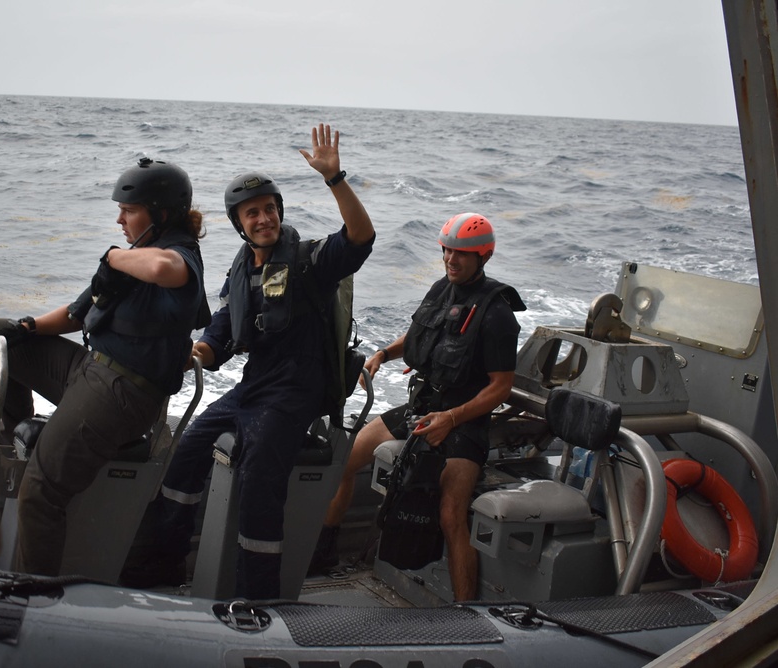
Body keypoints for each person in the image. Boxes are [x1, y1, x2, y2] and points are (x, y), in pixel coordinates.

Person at [127, 124, 375, 599]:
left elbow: (360, 238)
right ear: (239, 223)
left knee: (261, 478)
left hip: (297, 390)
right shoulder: (241, 270)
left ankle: (257, 598)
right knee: (188, 451)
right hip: (253, 388)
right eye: (252, 213)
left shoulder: (309, 262)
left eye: (268, 209)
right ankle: (164, 563)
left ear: (279, 212)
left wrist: (334, 179)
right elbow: (222, 331)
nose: (263, 219)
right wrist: (194, 353)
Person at [0, 158, 210, 576]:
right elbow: (78, 312)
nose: (119, 218)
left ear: (160, 214)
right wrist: (26, 326)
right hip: (88, 368)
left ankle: (30, 600)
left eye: (129, 210)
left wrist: (114, 256)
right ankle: (13, 425)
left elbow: (162, 268)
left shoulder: (180, 255)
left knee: (40, 492)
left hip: (122, 390)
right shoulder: (133, 254)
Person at [310, 212, 525, 601]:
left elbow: (501, 388)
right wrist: (383, 354)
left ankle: (465, 611)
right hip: (421, 408)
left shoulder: (497, 315)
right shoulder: (442, 288)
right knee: (342, 464)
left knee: (450, 516)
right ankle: (323, 555)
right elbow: (420, 333)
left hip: (463, 423)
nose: (450, 260)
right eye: (446, 251)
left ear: (483, 257)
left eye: (461, 254)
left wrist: (452, 418)